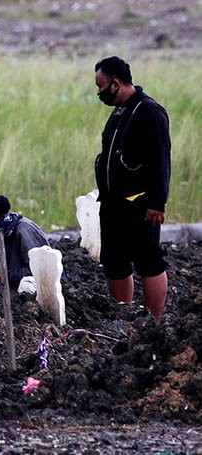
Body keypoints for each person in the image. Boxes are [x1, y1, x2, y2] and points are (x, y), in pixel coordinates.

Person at [94, 56, 171, 320]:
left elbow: (161, 159)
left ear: (115, 84)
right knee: (115, 264)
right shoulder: (119, 112)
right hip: (112, 204)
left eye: (101, 86)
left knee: (149, 262)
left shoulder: (150, 111)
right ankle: (123, 319)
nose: (99, 92)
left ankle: (153, 323)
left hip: (139, 205)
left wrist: (156, 203)